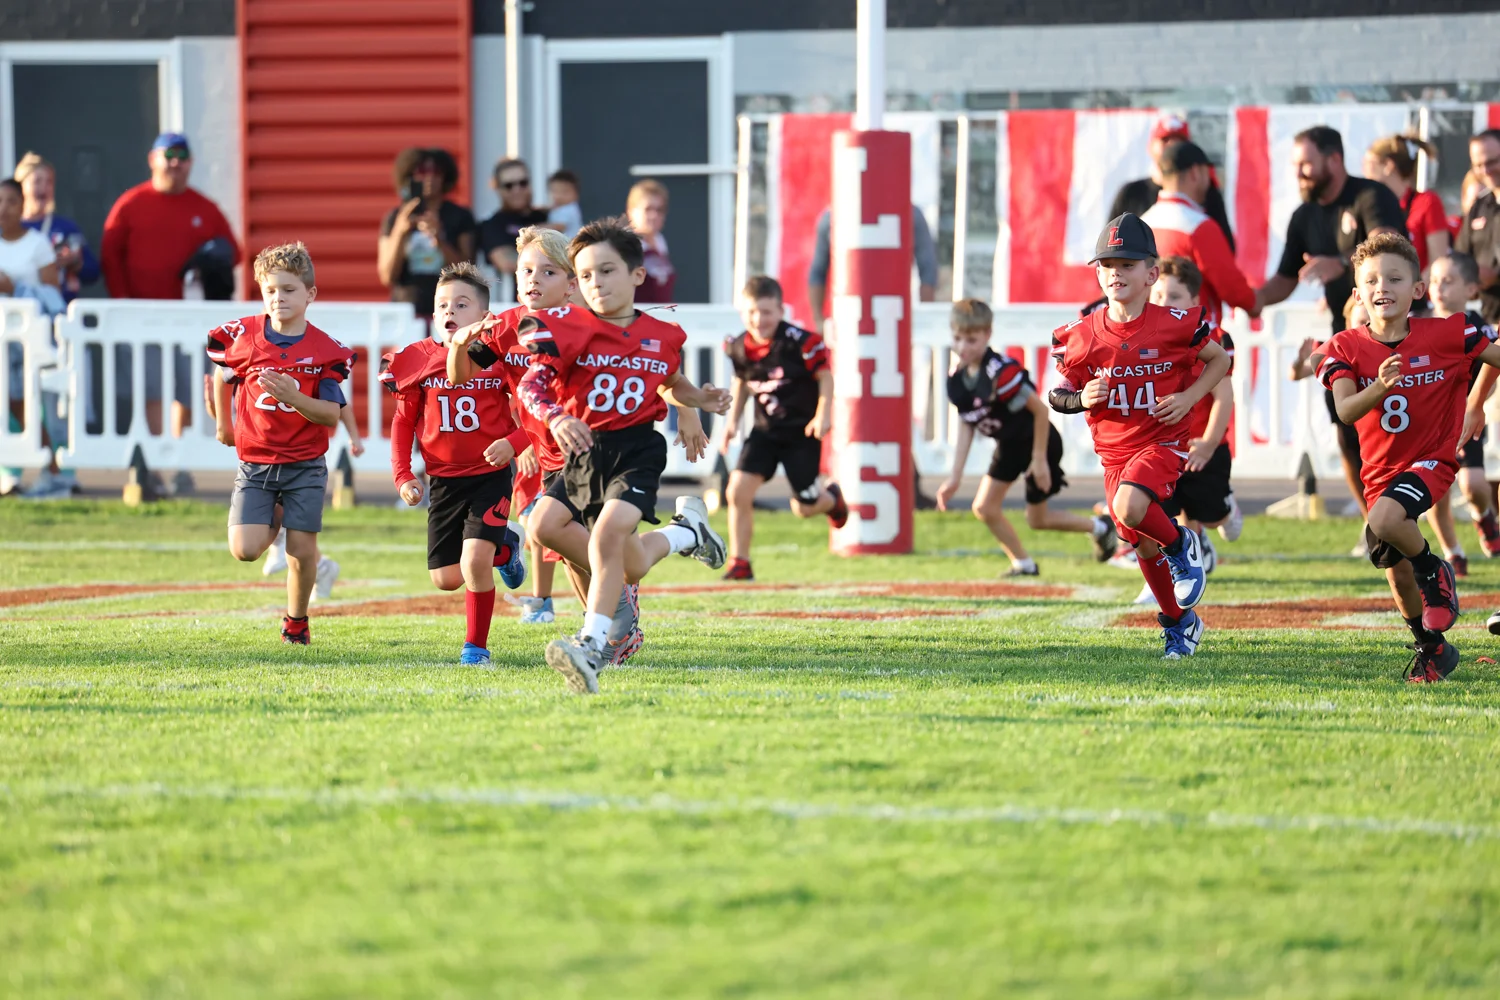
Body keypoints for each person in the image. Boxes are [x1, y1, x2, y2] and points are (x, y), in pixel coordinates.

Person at [452, 226, 716, 666]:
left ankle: (606, 631)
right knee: (584, 550)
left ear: (570, 281)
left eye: (547, 271)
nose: (533, 279)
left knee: (605, 550)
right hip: (556, 453)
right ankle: (631, 600)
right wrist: (460, 344)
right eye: (526, 271)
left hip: (608, 449)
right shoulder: (507, 327)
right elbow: (469, 377)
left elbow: (656, 369)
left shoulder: (591, 321)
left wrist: (690, 409)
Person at [515, 216, 731, 694]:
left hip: (635, 448)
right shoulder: (564, 326)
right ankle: (685, 533)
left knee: (607, 538)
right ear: (575, 284)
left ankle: (592, 645)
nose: (596, 284)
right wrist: (555, 417)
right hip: (584, 449)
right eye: (586, 275)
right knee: (548, 529)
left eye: (607, 271)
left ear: (637, 274)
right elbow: (532, 385)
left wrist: (699, 402)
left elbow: (670, 382)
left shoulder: (663, 333)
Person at [1317, 232, 1500, 682]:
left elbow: (1494, 355)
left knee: (1384, 523)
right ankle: (1433, 649)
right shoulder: (1343, 346)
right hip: (1380, 474)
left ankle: (1435, 570)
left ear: (1418, 289)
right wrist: (1378, 387)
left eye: (1396, 278)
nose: (1384, 287)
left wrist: (1475, 403)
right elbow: (1344, 410)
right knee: (1395, 575)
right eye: (1373, 280)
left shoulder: (1449, 332)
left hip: (1433, 460)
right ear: (1357, 293)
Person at [1049, 213, 1229, 659]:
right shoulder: (1082, 334)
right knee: (1138, 538)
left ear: (1151, 273)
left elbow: (1219, 361)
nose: (1116, 271)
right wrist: (1082, 398)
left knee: (1131, 508)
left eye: (1127, 263)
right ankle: (1179, 623)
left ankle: (1182, 542)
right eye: (1108, 263)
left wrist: (1189, 398)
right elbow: (1058, 393)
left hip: (1161, 442)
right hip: (1114, 454)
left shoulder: (1175, 322)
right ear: (1096, 272)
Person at [1255, 125, 1405, 553]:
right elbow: (1284, 280)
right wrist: (1249, 298)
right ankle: (1374, 527)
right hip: (1346, 339)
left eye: (1306, 163)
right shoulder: (1304, 216)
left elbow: (1390, 248)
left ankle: (1409, 519)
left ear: (1333, 160)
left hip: (1393, 335)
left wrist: (1342, 263)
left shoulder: (1371, 196)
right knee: (1346, 430)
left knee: (1398, 432)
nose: (1299, 173)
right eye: (1296, 165)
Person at [380, 262, 527, 666]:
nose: (449, 312)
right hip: (444, 481)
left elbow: (534, 412)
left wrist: (514, 444)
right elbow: (403, 422)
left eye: (461, 304)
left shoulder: (498, 358)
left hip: (489, 476)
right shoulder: (414, 360)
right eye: (442, 304)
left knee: (473, 561)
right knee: (446, 579)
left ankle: (475, 647)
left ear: (483, 316)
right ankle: (506, 548)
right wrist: (403, 474)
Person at [205, 243, 349, 645]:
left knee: (302, 553)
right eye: (270, 290)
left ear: (309, 295)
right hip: (256, 461)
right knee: (245, 549)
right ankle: (279, 517)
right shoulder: (245, 336)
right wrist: (224, 423)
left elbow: (330, 414)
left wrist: (295, 398)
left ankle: (296, 621)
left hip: (304, 463)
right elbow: (222, 375)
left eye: (287, 290)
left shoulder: (324, 350)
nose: (278, 298)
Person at [935, 298, 1117, 574]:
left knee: (1037, 518)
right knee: (984, 508)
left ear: (987, 335)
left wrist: (1039, 459)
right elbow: (967, 423)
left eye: (971, 340)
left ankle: (1101, 527)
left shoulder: (1000, 371)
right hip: (1009, 445)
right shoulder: (957, 377)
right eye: (958, 339)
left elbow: (1040, 412)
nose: (963, 347)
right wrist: (955, 477)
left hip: (1037, 441)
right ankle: (1023, 563)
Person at [101, 132, 241, 440]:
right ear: (153, 160)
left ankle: (179, 461)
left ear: (190, 163)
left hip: (190, 319)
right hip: (141, 315)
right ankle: (156, 459)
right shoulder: (130, 204)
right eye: (168, 155)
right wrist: (122, 299)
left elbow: (234, 252)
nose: (175, 163)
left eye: (182, 156)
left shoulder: (205, 208)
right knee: (151, 388)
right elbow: (110, 254)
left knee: (189, 388)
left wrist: (210, 264)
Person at [718, 275, 849, 582]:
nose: (758, 319)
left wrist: (822, 414)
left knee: (803, 508)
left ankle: (832, 500)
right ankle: (740, 562)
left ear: (780, 311)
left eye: (765, 312)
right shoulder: (739, 347)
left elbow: (825, 376)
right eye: (751, 312)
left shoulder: (801, 343)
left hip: (800, 435)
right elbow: (742, 383)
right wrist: (732, 423)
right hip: (765, 432)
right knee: (737, 490)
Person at [1131, 257, 1239, 606]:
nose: (1163, 302)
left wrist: (1208, 443)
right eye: (1158, 293)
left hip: (1202, 444)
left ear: (1195, 303)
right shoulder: (1141, 331)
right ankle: (1163, 577)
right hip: (1163, 444)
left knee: (1210, 513)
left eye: (1174, 296)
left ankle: (1225, 509)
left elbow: (1224, 396)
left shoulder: (1212, 337)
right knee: (1157, 512)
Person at [1431, 252, 1500, 572]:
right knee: (1434, 493)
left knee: (1472, 484)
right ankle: (1453, 553)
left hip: (1465, 418)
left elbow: (1492, 359)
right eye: (1433, 281)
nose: (1438, 288)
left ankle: (1483, 516)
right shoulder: (1416, 323)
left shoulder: (1477, 326)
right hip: (1427, 423)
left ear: (1471, 290)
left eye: (1448, 281)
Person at [1140, 140, 1258, 327]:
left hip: (1152, 334)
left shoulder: (1144, 221)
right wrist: (1254, 302)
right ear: (1197, 172)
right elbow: (1231, 288)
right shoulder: (1199, 226)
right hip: (1195, 337)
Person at [0, 177, 62, 497]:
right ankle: (9, 474)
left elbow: (53, 294)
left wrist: (15, 290)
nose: (4, 209)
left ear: (23, 205)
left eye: (11, 201)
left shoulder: (37, 244)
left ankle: (53, 469)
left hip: (28, 343)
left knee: (26, 403)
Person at [1110, 115, 1235, 253]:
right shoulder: (1131, 193)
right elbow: (1111, 246)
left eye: (1179, 141)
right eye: (1165, 140)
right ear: (1151, 146)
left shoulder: (1206, 193)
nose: (1172, 146)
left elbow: (1225, 249)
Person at [807, 204, 938, 336]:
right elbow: (817, 272)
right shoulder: (832, 217)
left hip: (893, 313)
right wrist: (819, 320)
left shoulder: (910, 214)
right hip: (851, 315)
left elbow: (928, 270)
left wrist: (925, 320)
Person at [378, 148, 477, 321]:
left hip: (450, 309)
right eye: (422, 172)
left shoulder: (459, 216)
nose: (429, 178)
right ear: (409, 176)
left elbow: (467, 272)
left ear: (445, 176)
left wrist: (439, 239)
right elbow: (387, 275)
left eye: (436, 172)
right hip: (406, 309)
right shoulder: (396, 217)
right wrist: (401, 231)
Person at [16, 152, 98, 303]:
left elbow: (93, 272)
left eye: (49, 182)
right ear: (21, 187)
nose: (44, 187)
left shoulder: (65, 228)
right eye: (37, 181)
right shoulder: (10, 230)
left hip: (59, 314)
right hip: (20, 315)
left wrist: (74, 262)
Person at [1364, 135, 1450, 277]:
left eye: (1368, 164)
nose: (1364, 172)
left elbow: (1437, 261)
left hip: (1418, 295)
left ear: (1388, 166)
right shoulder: (1373, 207)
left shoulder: (1427, 202)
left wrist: (1410, 292)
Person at [477, 158, 549, 286]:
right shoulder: (492, 224)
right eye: (509, 186)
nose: (517, 190)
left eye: (523, 183)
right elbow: (506, 262)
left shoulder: (548, 216)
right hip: (517, 301)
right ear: (498, 188)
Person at [1455, 129, 1500, 328]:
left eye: (1491, 162)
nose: (1485, 170)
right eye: (1478, 165)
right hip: (1487, 319)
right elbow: (1460, 256)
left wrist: (1496, 275)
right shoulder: (1479, 205)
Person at [626, 180, 675, 304]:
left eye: (659, 210)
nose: (654, 215)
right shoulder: (624, 246)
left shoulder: (660, 242)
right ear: (631, 211)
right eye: (648, 209)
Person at [547, 170, 583, 240]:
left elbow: (558, 227)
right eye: (555, 191)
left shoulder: (570, 208)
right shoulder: (559, 208)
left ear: (576, 195)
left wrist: (536, 228)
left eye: (565, 192)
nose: (559, 196)